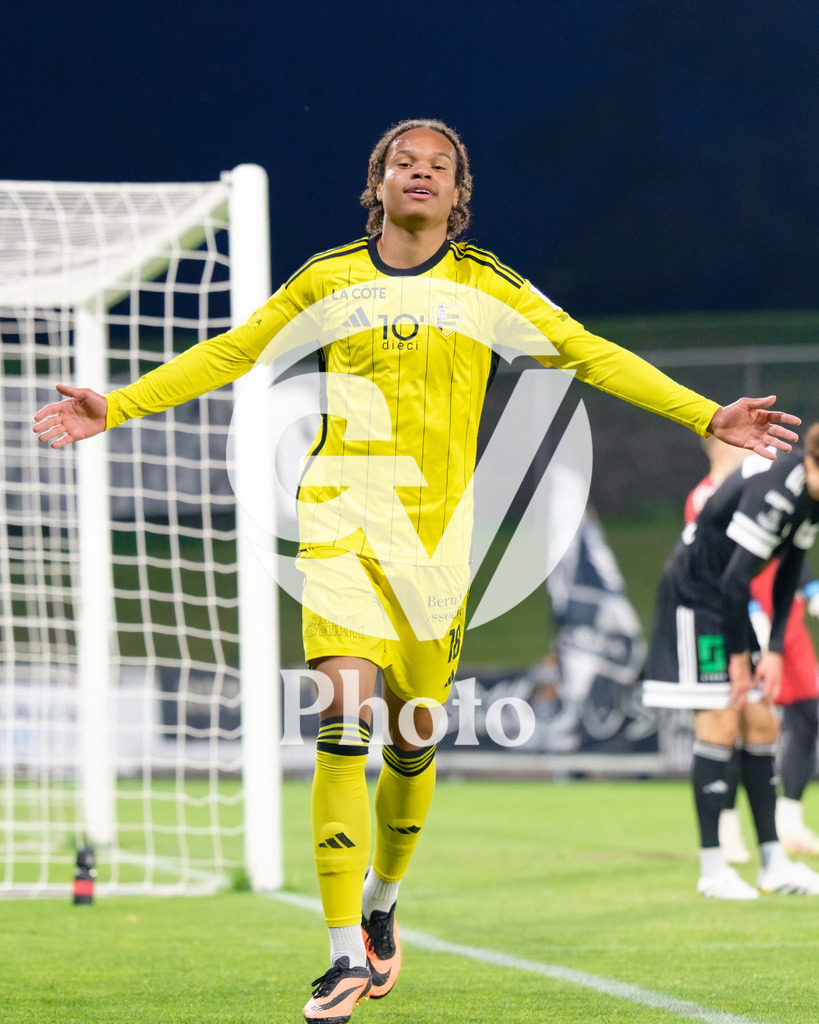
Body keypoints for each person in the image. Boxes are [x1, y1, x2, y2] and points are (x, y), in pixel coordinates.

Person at [33, 119, 801, 1021]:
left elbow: (590, 353)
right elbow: (235, 351)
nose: (422, 175)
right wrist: (118, 404)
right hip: (340, 533)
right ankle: (337, 956)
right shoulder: (328, 279)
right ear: (379, 182)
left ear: (457, 190)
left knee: (411, 743)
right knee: (339, 723)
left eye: (439, 166)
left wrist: (705, 415)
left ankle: (382, 905)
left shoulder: (486, 287)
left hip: (435, 556)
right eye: (406, 163)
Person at [643, 426, 819, 899]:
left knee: (762, 726)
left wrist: (776, 648)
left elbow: (787, 571)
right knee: (721, 723)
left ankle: (773, 863)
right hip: (697, 597)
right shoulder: (780, 492)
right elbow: (735, 579)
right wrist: (741, 659)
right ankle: (713, 869)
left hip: (728, 601)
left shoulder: (811, 496)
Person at [685, 439, 819, 863]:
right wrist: (743, 646)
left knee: (773, 723)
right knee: (727, 724)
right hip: (722, 611)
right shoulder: (731, 489)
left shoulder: (791, 488)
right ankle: (721, 841)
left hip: (775, 617)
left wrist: (779, 635)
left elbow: (794, 553)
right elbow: (725, 572)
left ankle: (780, 835)